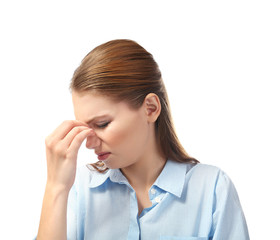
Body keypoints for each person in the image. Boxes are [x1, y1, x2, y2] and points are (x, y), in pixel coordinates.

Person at [35, 39, 250, 240]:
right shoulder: (78, 188)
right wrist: (55, 187)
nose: (89, 144)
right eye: (84, 128)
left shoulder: (211, 189)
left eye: (101, 124)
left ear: (151, 108)